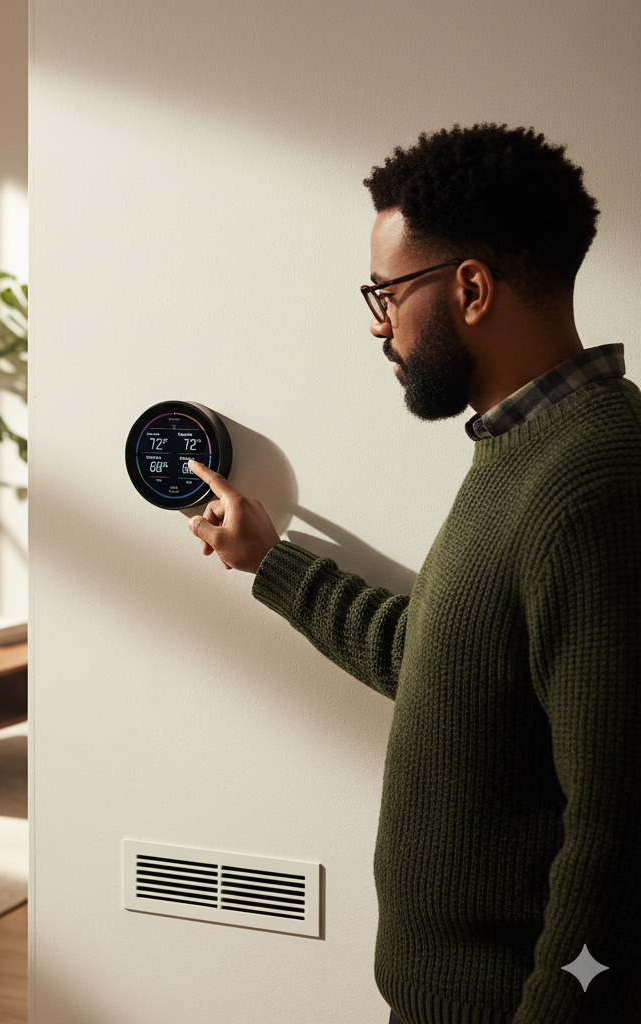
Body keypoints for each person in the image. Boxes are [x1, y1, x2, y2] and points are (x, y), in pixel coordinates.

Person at [186, 124, 641, 1024]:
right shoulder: (524, 449)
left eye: (388, 291)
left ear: (471, 287)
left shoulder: (592, 482)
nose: (377, 322)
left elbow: (619, 830)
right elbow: (434, 655)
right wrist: (269, 559)